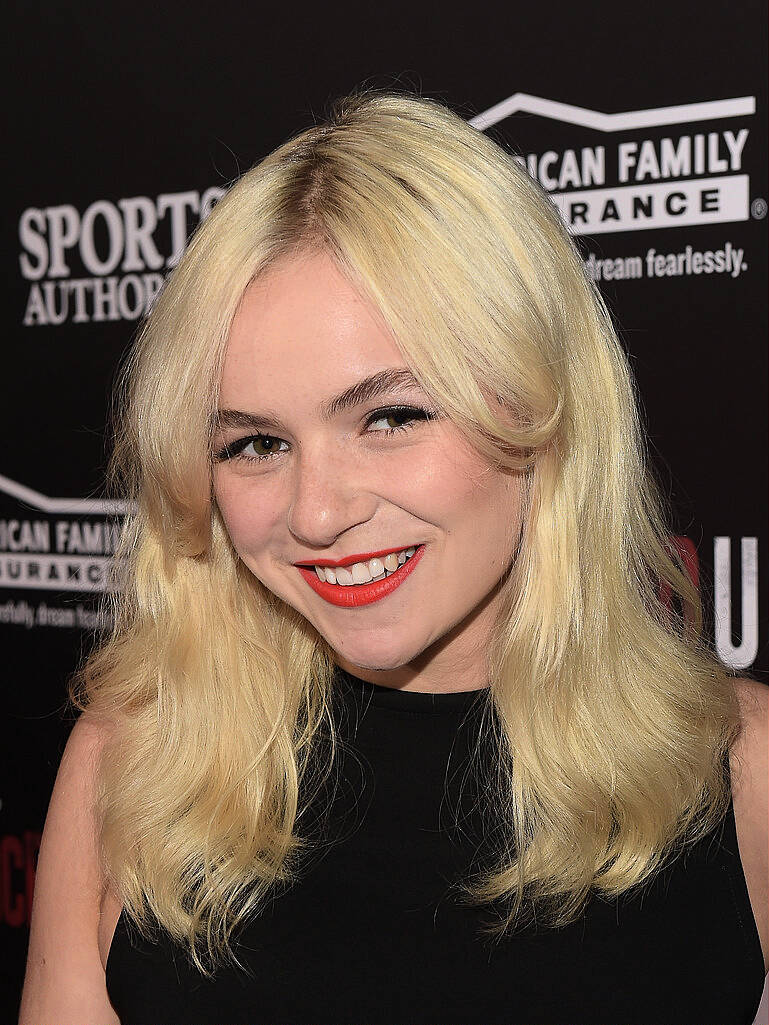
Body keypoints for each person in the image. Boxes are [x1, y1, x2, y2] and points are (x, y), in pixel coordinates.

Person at [19, 89, 767, 1025]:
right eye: (254, 442)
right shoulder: (140, 759)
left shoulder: (744, 773)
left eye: (391, 416)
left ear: (540, 408)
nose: (318, 512)